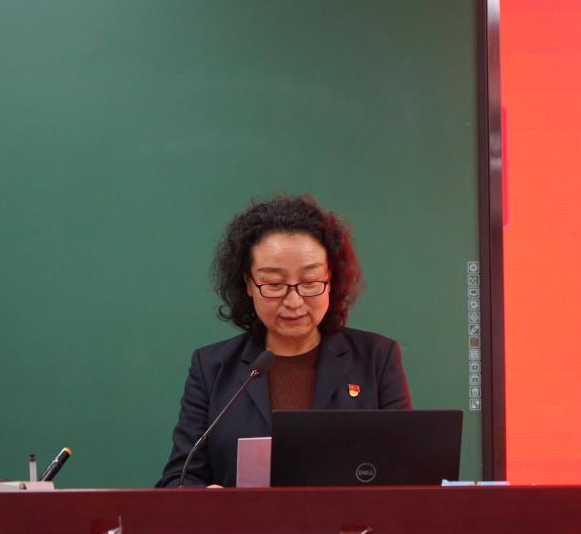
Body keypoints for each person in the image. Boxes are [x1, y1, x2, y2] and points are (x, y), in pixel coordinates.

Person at [156, 195, 411, 488]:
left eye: (310, 282)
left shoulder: (377, 359)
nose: (294, 301)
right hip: (244, 520)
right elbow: (178, 479)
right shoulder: (212, 368)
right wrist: (205, 498)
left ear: (330, 279)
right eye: (274, 284)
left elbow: (406, 472)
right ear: (249, 284)